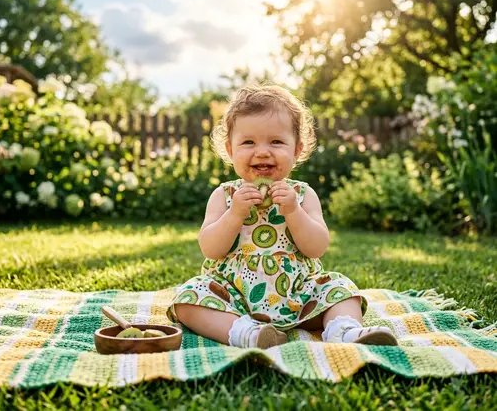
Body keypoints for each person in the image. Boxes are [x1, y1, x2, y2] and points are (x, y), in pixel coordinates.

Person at [167, 85, 397, 349]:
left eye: (276, 141)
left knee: (341, 288)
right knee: (188, 298)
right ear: (230, 151)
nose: (263, 151)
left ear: (297, 150)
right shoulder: (225, 195)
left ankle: (343, 330)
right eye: (248, 142)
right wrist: (235, 214)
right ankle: (246, 333)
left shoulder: (302, 195)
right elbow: (210, 248)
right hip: (235, 297)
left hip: (297, 296)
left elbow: (316, 247)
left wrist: (293, 212)